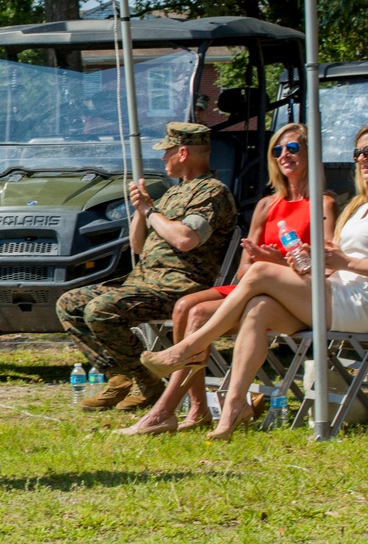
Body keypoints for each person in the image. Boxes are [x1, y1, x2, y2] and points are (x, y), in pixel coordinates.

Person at [141, 125, 368, 441]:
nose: (361, 159)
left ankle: (189, 349)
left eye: (367, 152)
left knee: (259, 277)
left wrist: (342, 262)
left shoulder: (326, 202)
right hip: (331, 293)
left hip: (357, 300)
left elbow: (341, 264)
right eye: (358, 153)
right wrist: (306, 258)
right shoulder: (356, 207)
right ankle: (235, 407)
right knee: (258, 307)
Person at [56, 122, 238, 412]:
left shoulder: (211, 192)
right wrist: (141, 210)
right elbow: (138, 246)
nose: (162, 158)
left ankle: (147, 382)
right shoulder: (172, 193)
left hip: (178, 288)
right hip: (144, 283)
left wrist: (151, 211)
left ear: (182, 153)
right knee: (69, 303)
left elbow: (186, 238)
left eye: (166, 152)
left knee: (100, 310)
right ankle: (119, 377)